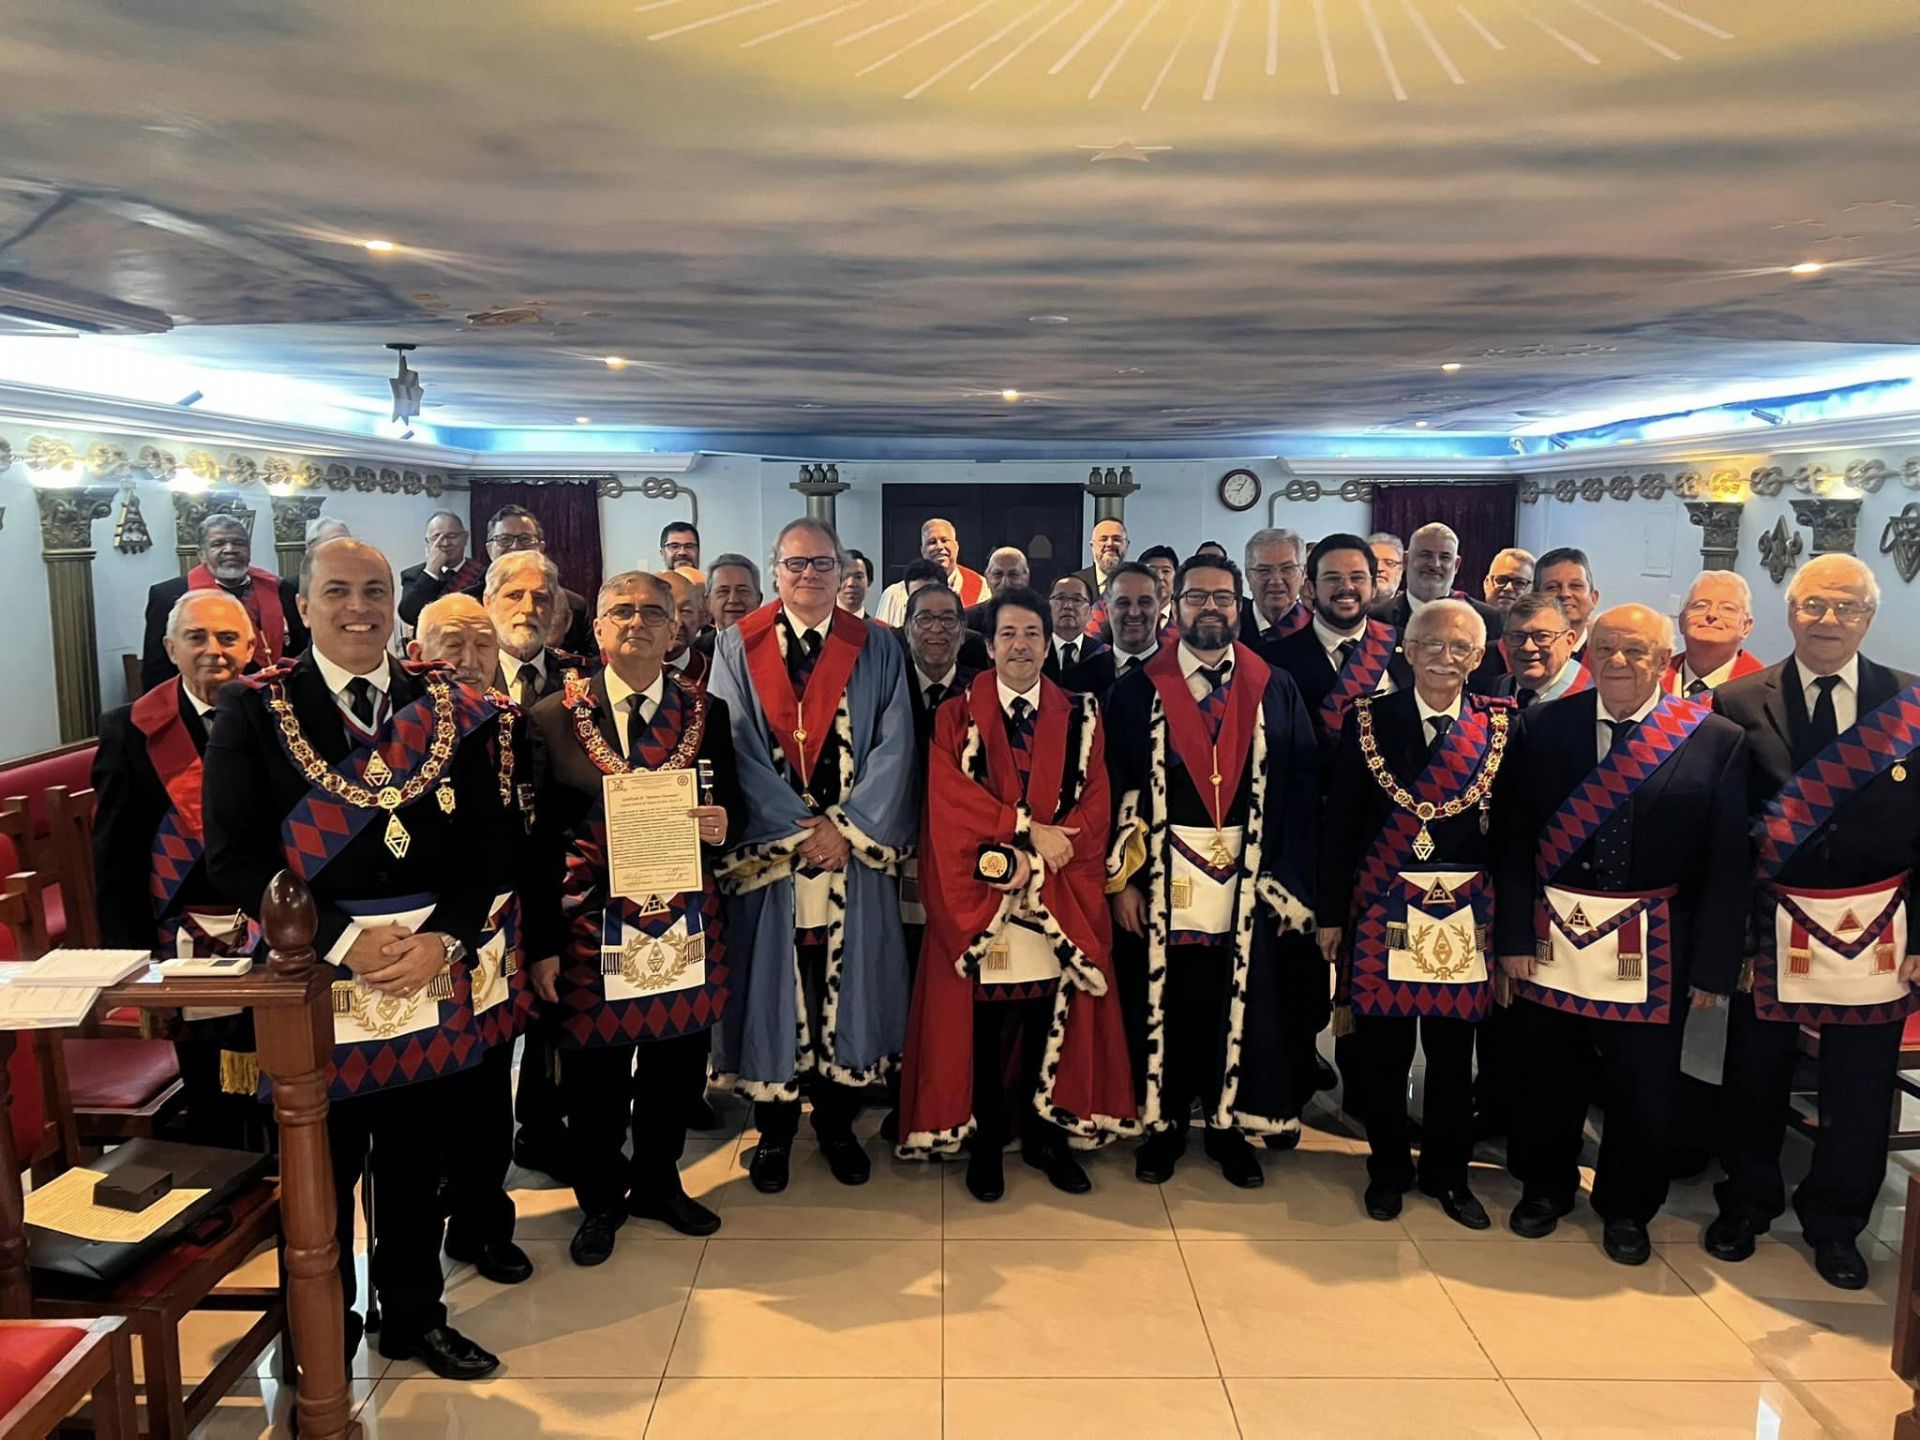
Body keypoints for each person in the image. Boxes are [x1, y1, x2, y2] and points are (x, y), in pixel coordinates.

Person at [202, 538, 519, 1380]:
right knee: (323, 1172)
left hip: (427, 969)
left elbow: (491, 848)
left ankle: (414, 1315)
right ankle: (323, 1327)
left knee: (419, 1159)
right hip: (317, 974)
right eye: (336, 591)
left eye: (375, 591)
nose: (359, 607)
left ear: (397, 604)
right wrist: (343, 938)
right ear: (301, 607)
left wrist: (443, 939)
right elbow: (232, 856)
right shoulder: (254, 711)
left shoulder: (444, 704)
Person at [1493, 603, 1748, 1265]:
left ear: (1666, 660)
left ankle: (1628, 1208)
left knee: (1643, 1087)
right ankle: (1545, 1188)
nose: (1618, 662)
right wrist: (1512, 937)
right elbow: (1513, 842)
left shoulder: (1715, 739)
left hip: (1656, 946)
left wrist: (1713, 969)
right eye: (1605, 648)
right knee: (1547, 1073)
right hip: (1554, 938)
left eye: (1636, 650)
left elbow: (1726, 865)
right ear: (1588, 653)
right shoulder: (1543, 726)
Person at [1709, 555, 1920, 1290]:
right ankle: (1746, 1204)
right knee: (1754, 1079)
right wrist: (1726, 937)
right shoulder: (1736, 701)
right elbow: (1723, 834)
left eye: (1847, 608)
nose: (1829, 621)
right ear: (1790, 611)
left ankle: (1836, 1225)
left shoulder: (1910, 703)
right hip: (1769, 928)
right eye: (1815, 606)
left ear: (1868, 618)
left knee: (1858, 1091)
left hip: (1878, 932)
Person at [525, 572, 743, 1264]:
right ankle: (599, 1198)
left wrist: (721, 824)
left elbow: (732, 816)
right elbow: (534, 845)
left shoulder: (706, 714)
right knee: (596, 1078)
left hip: (682, 921)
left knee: (676, 1068)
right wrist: (543, 944)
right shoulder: (553, 716)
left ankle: (657, 1179)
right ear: (596, 629)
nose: (638, 623)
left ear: (676, 630)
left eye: (655, 612)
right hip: (591, 927)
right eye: (622, 610)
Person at [898, 588, 1135, 1199]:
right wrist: (1023, 840)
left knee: (1045, 1017)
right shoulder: (956, 714)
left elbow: (1096, 806)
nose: (1021, 645)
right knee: (982, 1021)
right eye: (1008, 634)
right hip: (984, 894)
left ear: (1048, 642)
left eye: (1032, 633)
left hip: (1058, 893)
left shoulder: (1083, 714)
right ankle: (987, 1139)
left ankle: (1044, 1134)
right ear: (990, 643)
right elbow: (950, 805)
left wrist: (1038, 865)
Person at [709, 518, 917, 1194]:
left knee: (847, 991)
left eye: (822, 564)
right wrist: (801, 833)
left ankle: (835, 1125)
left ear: (843, 573)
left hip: (851, 859)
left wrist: (846, 831)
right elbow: (732, 747)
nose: (808, 575)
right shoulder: (735, 648)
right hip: (772, 862)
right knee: (774, 989)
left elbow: (896, 746)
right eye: (796, 564)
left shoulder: (879, 647)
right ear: (776, 570)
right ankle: (772, 1133)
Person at [1105, 555, 1318, 1185]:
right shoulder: (1138, 688)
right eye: (1197, 597)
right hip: (1165, 880)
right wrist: (1124, 881)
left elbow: (1303, 791)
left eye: (1223, 598)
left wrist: (1287, 887)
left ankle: (1227, 1128)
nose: (1211, 610)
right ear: (1177, 606)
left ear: (1239, 605)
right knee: (1170, 1002)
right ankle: (1164, 1124)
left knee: (1238, 1003)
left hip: (1249, 883)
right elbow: (1113, 788)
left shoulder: (1273, 685)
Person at [1319, 600, 1510, 1230]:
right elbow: (1340, 822)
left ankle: (1449, 1177)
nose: (1444, 657)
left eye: (1460, 648)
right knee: (1384, 1054)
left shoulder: (1502, 727)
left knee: (1455, 1060)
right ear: (1406, 648)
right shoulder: (1369, 720)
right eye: (1430, 643)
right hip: (1381, 906)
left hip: (1462, 916)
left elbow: (1513, 834)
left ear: (1479, 658)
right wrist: (1330, 915)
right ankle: (1388, 1170)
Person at [93, 590, 263, 1146]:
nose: (214, 651)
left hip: (274, 930)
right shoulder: (132, 730)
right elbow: (116, 856)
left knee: (287, 1086)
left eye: (228, 638)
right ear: (170, 647)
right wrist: (130, 964)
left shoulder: (281, 712)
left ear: (253, 645)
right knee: (212, 1094)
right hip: (186, 940)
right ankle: (230, 1211)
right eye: (197, 638)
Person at [407, 593, 535, 1288]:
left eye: (483, 642)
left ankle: (484, 1223)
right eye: (450, 641)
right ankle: (416, 1241)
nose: (468, 656)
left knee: (489, 1091)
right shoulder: (393, 730)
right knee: (422, 1101)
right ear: (418, 647)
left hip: (493, 937)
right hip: (413, 944)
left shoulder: (513, 724)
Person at [1259, 533, 1397, 750]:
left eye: (1358, 577)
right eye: (1332, 578)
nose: (1346, 587)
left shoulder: (1406, 647)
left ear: (1373, 587)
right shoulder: (1272, 660)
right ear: (1310, 588)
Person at [141, 513, 306, 691]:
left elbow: (301, 646)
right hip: (210, 698)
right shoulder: (169, 596)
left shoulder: (281, 589)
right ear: (201, 554)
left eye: (238, 543)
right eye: (218, 544)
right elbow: (157, 671)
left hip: (278, 696)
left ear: (249, 549)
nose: (230, 549)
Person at [1375, 523, 1505, 693]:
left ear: (1456, 565)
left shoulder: (1489, 620)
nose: (1435, 564)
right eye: (1425, 555)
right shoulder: (1376, 619)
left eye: (1444, 557)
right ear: (1406, 560)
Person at [460, 506, 594, 656]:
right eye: (504, 539)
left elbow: (589, 662)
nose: (516, 546)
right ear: (489, 549)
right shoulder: (464, 604)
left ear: (541, 548)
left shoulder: (573, 604)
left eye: (525, 539)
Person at [1060, 564, 1160, 702]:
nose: (1134, 612)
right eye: (1123, 603)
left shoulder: (1185, 677)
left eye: (1144, 602)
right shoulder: (1073, 681)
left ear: (1158, 608)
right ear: (1107, 611)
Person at [1666, 571, 1764, 696]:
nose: (1712, 614)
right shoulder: (1650, 680)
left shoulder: (1762, 690)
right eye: (1700, 606)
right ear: (1682, 621)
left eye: (1728, 608)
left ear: (1746, 627)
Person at [876, 517, 990, 625]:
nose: (939, 546)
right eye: (932, 542)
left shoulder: (981, 587)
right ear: (922, 550)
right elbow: (883, 640)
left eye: (945, 540)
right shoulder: (894, 595)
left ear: (956, 546)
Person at [399, 511, 489, 628]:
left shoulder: (484, 574)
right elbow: (409, 616)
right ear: (428, 542)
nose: (445, 543)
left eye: (452, 536)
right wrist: (431, 572)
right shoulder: (412, 575)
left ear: (465, 538)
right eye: (437, 537)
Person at [1497, 595, 1589, 707]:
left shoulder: (1592, 700)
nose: (1528, 647)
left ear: (1569, 641)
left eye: (1542, 636)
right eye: (1517, 636)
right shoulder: (1495, 690)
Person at [1241, 528, 1311, 643]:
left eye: (1287, 569)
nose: (1276, 580)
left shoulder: (1319, 631)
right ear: (1248, 576)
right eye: (1264, 570)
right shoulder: (1229, 630)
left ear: (1303, 574)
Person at [1535, 547, 1601, 660]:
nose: (1564, 594)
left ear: (1593, 598)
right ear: (1535, 598)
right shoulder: (1514, 654)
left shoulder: (1606, 658)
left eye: (1575, 586)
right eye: (1552, 587)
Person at [1045, 574, 1105, 681]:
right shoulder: (1035, 651)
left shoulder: (1102, 654)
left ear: (1089, 611)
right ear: (1048, 607)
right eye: (1060, 598)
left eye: (1077, 600)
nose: (1068, 605)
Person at [658, 569, 711, 687]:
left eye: (686, 611)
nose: (677, 621)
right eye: (666, 610)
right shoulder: (623, 670)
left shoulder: (714, 674)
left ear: (701, 617)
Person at [962, 547, 1030, 632]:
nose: (1005, 583)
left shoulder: (1041, 616)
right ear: (987, 577)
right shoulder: (967, 619)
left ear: (1026, 577)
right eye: (997, 574)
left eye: (1013, 575)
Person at [1071, 518, 1129, 604]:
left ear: (1127, 545)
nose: (1109, 544)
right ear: (1092, 546)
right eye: (1103, 539)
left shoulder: (1138, 583)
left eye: (1116, 539)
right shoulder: (1074, 583)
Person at [707, 554, 763, 633]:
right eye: (723, 591)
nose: (733, 600)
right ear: (708, 602)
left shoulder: (779, 642)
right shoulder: (697, 645)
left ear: (759, 599)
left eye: (742, 591)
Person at [1482, 547, 1536, 613]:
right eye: (1501, 580)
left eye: (1519, 583)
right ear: (1486, 583)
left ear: (1533, 590)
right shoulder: (1467, 621)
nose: (1508, 588)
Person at [1367, 532, 1405, 611]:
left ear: (1400, 571)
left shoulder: (1410, 609)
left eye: (1389, 563)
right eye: (1373, 562)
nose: (1379, 568)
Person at [839, 550, 876, 619]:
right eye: (844, 576)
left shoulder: (880, 629)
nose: (851, 583)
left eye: (858, 577)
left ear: (869, 583)